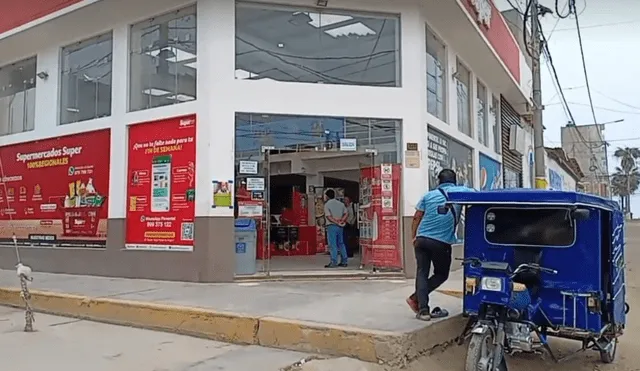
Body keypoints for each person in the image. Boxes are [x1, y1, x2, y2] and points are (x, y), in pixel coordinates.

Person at [407, 169, 475, 321]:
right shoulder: (462, 191)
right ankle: (415, 298)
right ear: (455, 180)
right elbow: (477, 196)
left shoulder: (428, 195)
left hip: (422, 238)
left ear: (439, 181)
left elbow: (417, 217)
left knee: (422, 272)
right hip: (441, 242)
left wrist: (414, 237)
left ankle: (423, 311)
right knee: (441, 274)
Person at [323, 189, 349, 268]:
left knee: (333, 244)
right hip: (340, 227)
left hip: (331, 226)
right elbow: (346, 213)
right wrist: (342, 220)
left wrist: (335, 222)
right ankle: (344, 261)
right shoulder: (341, 204)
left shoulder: (327, 205)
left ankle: (333, 262)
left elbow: (328, 216)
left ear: (327, 196)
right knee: (341, 243)